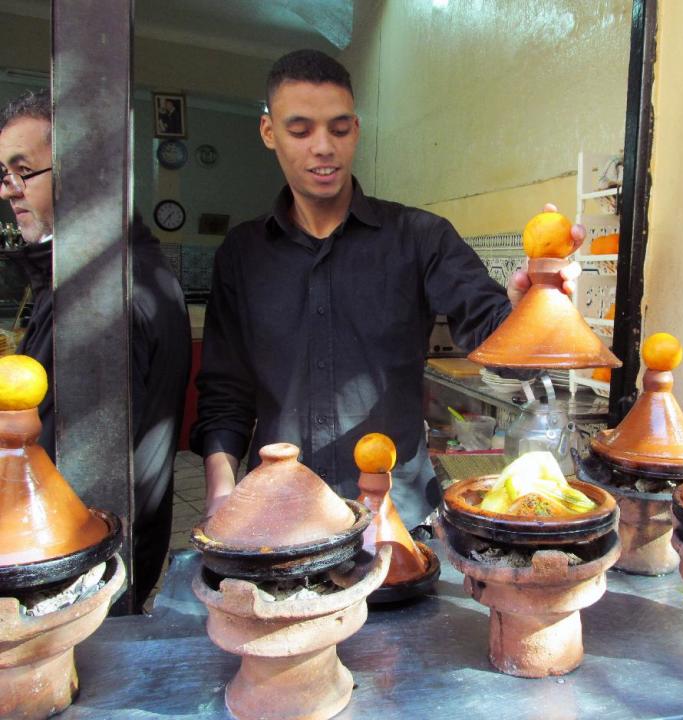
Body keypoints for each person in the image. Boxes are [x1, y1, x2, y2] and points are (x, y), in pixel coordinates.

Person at [190, 49, 582, 528]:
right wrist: (221, 495)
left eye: (338, 129)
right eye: (300, 130)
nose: (323, 147)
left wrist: (531, 308)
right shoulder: (242, 254)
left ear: (355, 129)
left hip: (400, 515)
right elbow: (226, 393)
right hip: (279, 515)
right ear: (269, 132)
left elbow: (491, 334)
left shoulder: (420, 237)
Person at [0, 88, 192, 611]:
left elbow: (70, 465)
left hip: (76, 574)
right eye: (4, 174)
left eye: (23, 171)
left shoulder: (105, 299)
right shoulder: (94, 276)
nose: (10, 190)